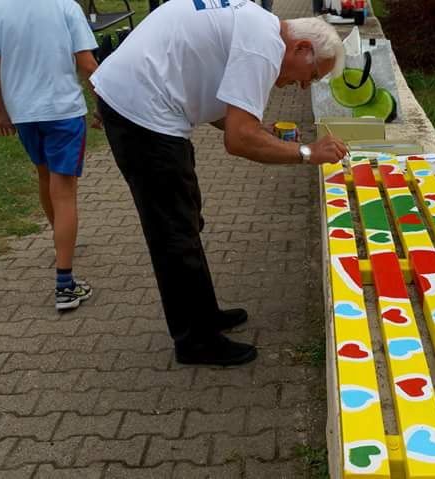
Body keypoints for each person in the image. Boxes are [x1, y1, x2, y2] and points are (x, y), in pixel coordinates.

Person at [91, 0, 348, 366]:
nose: (303, 86)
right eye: (312, 75)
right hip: (142, 111)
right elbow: (238, 140)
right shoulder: (264, 46)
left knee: (186, 215)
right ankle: (195, 342)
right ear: (302, 47)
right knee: (173, 230)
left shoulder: (258, 27)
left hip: (139, 96)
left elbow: (224, 112)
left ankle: (204, 315)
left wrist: (258, 130)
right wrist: (307, 152)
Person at [0, 0, 98, 311]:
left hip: (24, 112)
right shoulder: (66, 6)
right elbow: (87, 64)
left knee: (43, 175)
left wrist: (0, 113)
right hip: (62, 111)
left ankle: (59, 241)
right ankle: (65, 285)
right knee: (64, 192)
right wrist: (104, 105)